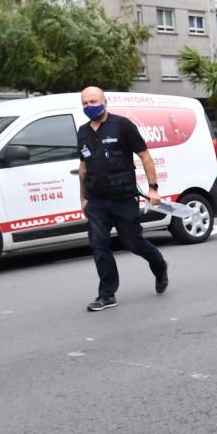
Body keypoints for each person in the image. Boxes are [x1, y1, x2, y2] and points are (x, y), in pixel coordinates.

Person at [77, 86, 168, 312]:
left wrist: (153, 188)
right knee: (99, 245)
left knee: (132, 242)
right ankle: (107, 294)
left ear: (104, 102)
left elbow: (145, 156)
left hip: (122, 198)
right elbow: (83, 167)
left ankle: (159, 265)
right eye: (85, 103)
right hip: (96, 201)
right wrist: (82, 198)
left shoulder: (123, 125)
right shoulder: (83, 131)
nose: (90, 106)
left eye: (93, 101)